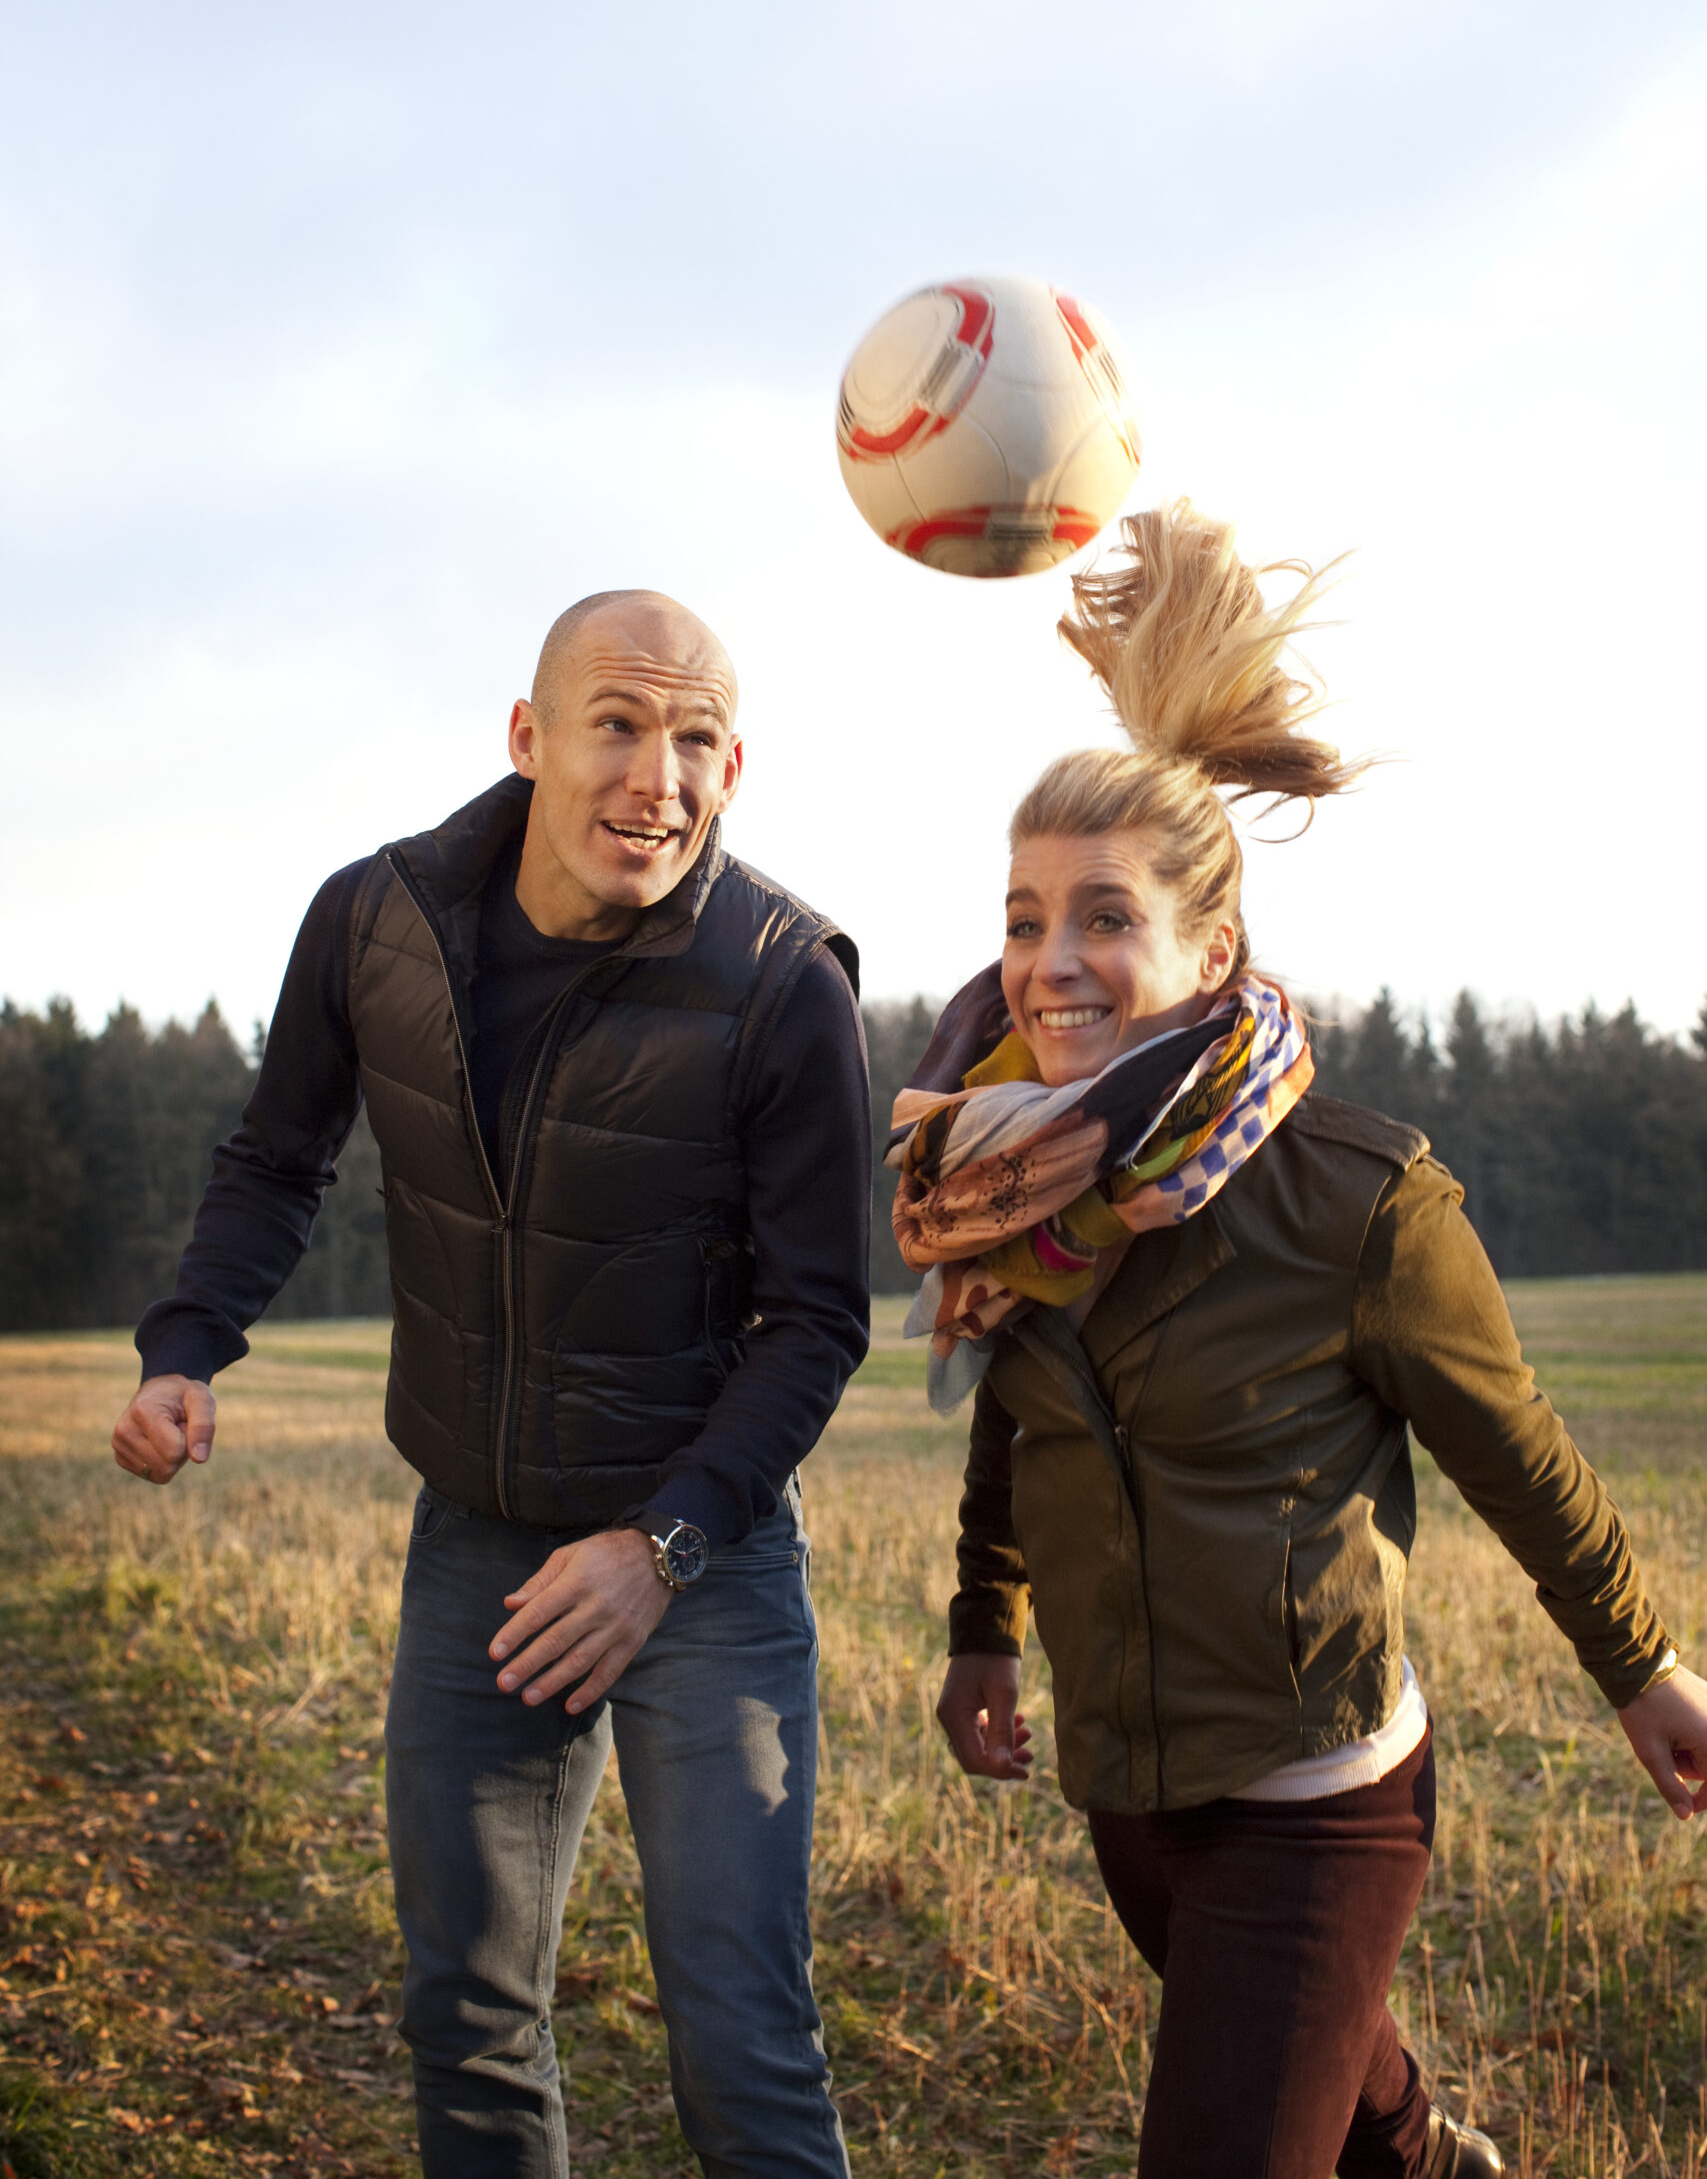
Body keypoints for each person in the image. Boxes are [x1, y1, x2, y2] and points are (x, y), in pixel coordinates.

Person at [889, 504, 1707, 2179]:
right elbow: (1018, 1417)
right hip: (1128, 1786)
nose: (1050, 964)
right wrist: (985, 1627)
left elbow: (1521, 1460)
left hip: (1319, 1798)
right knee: (1339, 2107)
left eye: (1102, 917)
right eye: (1024, 918)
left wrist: (1643, 1670)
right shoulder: (1001, 1189)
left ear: (1212, 950)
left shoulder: (1358, 1198)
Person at [110, 590, 869, 2179]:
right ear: (528, 738)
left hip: (704, 1565)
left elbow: (815, 1323)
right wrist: (188, 1346)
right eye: (618, 725)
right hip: (481, 1549)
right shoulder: (373, 923)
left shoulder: (784, 981)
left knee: (738, 2034)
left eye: (697, 740)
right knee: (466, 2013)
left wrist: (660, 1548)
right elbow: (278, 1158)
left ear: (735, 770)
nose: (657, 778)